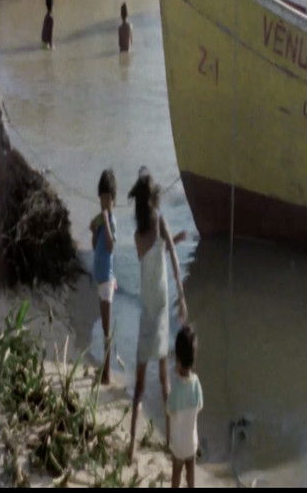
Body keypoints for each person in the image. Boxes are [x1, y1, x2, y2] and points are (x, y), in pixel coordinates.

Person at [128, 169, 188, 462]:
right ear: (154, 200)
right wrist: (182, 292)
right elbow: (169, 259)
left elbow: (154, 254)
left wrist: (171, 239)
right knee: (164, 383)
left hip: (146, 308)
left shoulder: (138, 234)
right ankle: (168, 441)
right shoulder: (160, 221)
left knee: (139, 387)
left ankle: (131, 446)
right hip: (162, 306)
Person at [167, 325, 204, 489]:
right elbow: (200, 406)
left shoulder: (175, 387)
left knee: (176, 471)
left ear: (177, 358)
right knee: (191, 471)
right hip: (192, 441)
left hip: (178, 444)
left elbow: (169, 410)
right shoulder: (196, 383)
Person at [90, 169, 117, 384]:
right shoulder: (101, 221)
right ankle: (104, 368)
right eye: (102, 198)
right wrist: (94, 229)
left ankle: (107, 373)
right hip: (100, 279)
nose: (104, 202)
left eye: (108, 198)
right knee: (103, 327)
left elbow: (110, 245)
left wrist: (106, 220)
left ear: (113, 201)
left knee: (107, 329)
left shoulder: (111, 220)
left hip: (107, 280)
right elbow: (95, 246)